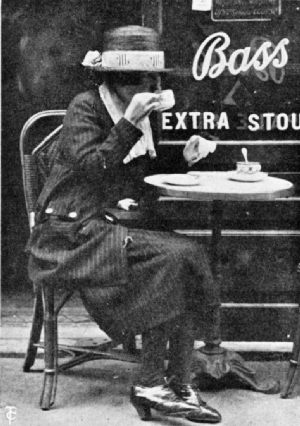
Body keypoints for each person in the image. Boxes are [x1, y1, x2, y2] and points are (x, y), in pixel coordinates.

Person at [27, 25, 221, 423]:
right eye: (139, 79)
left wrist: (182, 156)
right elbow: (94, 170)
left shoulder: (143, 114)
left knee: (186, 253)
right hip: (70, 233)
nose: (149, 86)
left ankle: (177, 383)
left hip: (111, 224)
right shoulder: (86, 106)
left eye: (154, 79)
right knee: (177, 255)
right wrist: (129, 123)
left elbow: (137, 173)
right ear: (113, 80)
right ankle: (154, 381)